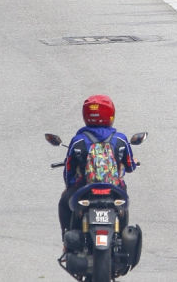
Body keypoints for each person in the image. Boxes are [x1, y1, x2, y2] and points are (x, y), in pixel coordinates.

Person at [58, 95, 137, 238]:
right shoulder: (120, 139)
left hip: (84, 188)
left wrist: (69, 186)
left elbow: (68, 169)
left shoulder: (78, 140)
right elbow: (130, 166)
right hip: (115, 188)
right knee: (123, 206)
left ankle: (66, 237)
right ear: (111, 115)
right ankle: (121, 235)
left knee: (64, 202)